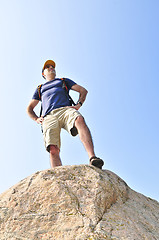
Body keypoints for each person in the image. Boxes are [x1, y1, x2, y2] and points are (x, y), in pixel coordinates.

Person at [27, 60, 104, 169]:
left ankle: (92, 158)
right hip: (49, 116)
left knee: (79, 119)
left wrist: (78, 105)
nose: (51, 68)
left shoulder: (63, 81)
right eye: (47, 67)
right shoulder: (40, 88)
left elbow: (83, 91)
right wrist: (36, 118)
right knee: (52, 148)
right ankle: (58, 175)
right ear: (43, 74)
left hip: (65, 110)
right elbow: (29, 108)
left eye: (52, 66)